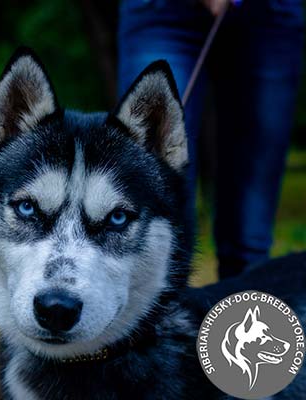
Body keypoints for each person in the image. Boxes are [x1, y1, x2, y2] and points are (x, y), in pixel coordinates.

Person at [117, 0, 304, 278]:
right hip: (159, 10)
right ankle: (160, 320)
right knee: (155, 215)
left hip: (273, 15)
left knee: (249, 243)